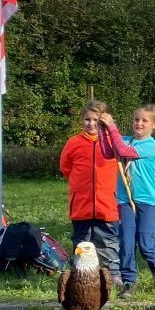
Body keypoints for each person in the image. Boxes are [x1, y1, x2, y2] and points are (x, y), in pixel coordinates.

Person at [99, 105, 155, 298]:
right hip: (125, 200)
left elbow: (123, 151)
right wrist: (103, 129)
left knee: (146, 244)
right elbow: (108, 152)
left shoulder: (150, 145)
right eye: (136, 119)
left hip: (147, 201)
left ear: (154, 125)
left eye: (144, 120)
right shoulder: (125, 140)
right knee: (127, 242)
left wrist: (112, 126)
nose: (139, 123)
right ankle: (128, 281)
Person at [59, 100, 122, 284]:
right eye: (87, 119)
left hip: (107, 203)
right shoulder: (74, 143)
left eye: (96, 120)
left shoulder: (112, 142)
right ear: (82, 120)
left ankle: (113, 274)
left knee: (109, 241)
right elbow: (65, 167)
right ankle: (81, 275)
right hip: (81, 204)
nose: (91, 123)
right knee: (81, 241)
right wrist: (80, 184)